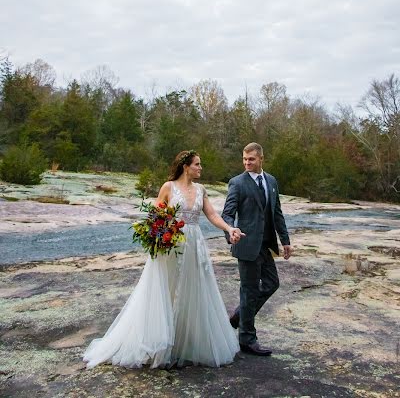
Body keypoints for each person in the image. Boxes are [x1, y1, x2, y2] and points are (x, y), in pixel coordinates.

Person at [83, 150, 244, 369]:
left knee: (193, 291)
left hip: (194, 245)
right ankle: (160, 344)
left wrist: (229, 228)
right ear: (186, 166)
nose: (201, 168)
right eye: (197, 164)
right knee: (167, 291)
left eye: (200, 164)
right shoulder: (168, 187)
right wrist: (157, 237)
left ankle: (184, 344)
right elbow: (156, 218)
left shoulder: (201, 189)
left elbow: (213, 215)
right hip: (171, 247)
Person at [222, 142, 293, 356]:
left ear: (261, 158)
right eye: (244, 159)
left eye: (251, 159)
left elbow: (277, 213)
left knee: (272, 283)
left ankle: (239, 315)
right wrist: (231, 231)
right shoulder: (237, 183)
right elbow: (227, 213)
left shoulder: (271, 181)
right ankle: (247, 339)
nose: (247, 163)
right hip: (245, 244)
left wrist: (285, 240)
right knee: (249, 290)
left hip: (265, 244)